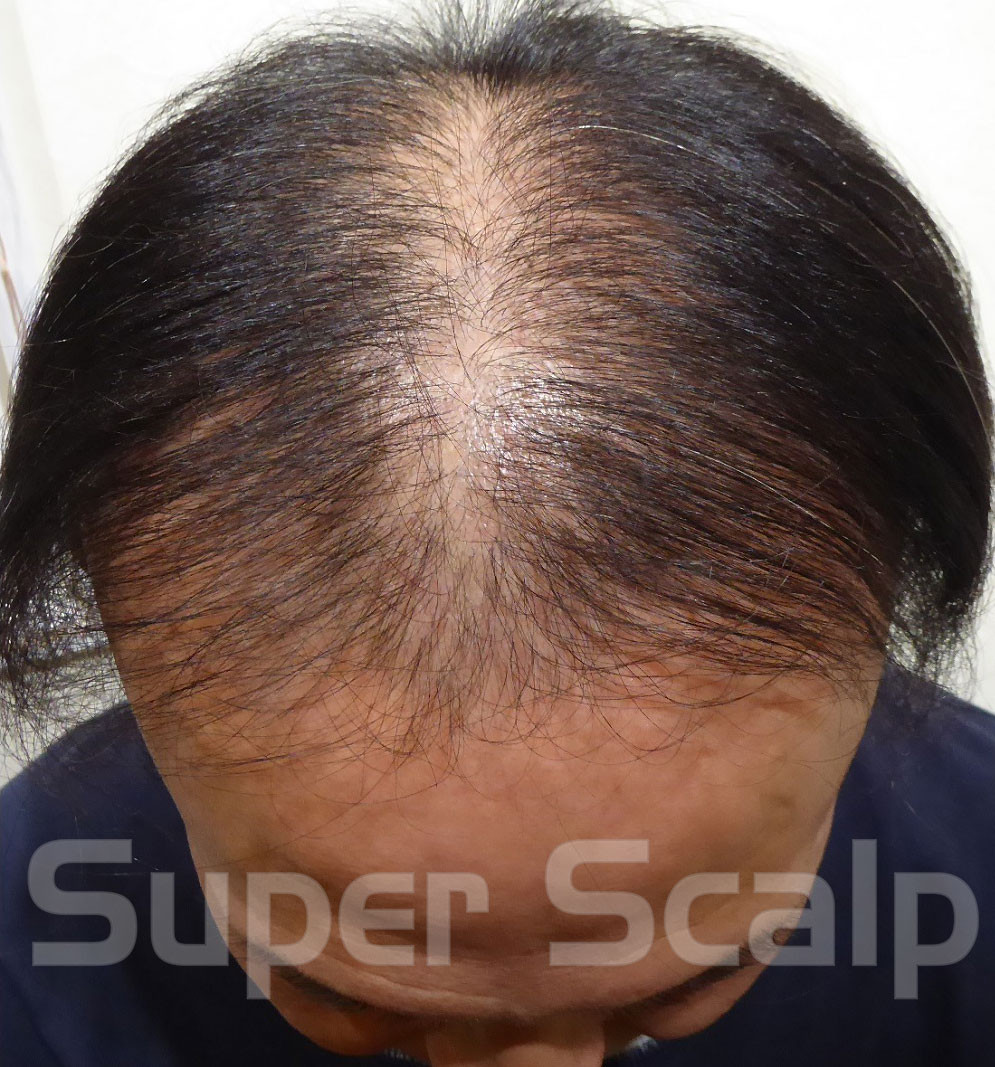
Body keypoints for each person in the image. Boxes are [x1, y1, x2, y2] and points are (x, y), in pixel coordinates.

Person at [2, 1, 994, 1063]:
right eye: (339, 988)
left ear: (879, 608)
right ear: (123, 622)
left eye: (694, 974)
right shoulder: (37, 943)